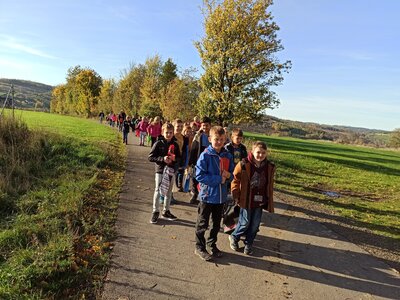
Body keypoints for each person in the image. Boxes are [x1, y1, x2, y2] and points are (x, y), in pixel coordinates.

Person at [228, 141, 276, 255]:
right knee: (245, 222)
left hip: (260, 201)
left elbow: (269, 184)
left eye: (263, 153)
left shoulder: (269, 167)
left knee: (255, 224)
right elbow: (235, 180)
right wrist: (235, 194)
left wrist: (269, 198)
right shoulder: (244, 164)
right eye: (258, 152)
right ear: (252, 152)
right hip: (246, 199)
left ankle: (249, 243)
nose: (260, 155)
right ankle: (234, 236)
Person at [194, 126, 234, 261]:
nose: (219, 142)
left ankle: (212, 244)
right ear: (210, 139)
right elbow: (199, 175)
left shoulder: (227, 155)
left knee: (216, 224)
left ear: (225, 140)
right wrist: (218, 179)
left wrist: (229, 176)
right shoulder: (205, 155)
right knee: (202, 223)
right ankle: (199, 246)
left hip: (221, 197)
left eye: (222, 139)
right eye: (216, 139)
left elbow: (232, 174)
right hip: (207, 196)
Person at [148, 123, 181, 224]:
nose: (169, 134)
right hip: (161, 170)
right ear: (162, 132)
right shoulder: (158, 143)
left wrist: (175, 159)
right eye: (167, 132)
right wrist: (162, 159)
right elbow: (150, 157)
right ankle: (155, 211)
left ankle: (166, 210)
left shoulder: (175, 144)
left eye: (171, 133)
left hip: (171, 171)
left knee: (169, 191)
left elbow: (179, 158)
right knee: (158, 190)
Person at [223, 128, 248, 233]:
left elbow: (246, 160)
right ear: (232, 137)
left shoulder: (243, 148)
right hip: (229, 173)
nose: (239, 140)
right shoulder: (227, 147)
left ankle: (231, 218)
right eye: (237, 138)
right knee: (226, 195)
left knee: (234, 195)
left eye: (240, 138)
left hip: (238, 174)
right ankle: (223, 212)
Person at [188, 117, 212, 204]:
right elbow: (194, 148)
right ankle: (194, 193)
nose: (205, 127)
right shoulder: (198, 135)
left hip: (209, 159)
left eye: (207, 125)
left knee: (205, 178)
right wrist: (191, 161)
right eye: (203, 125)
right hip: (198, 157)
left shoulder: (212, 135)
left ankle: (204, 195)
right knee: (194, 176)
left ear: (210, 125)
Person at [173, 119, 189, 192]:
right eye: (178, 126)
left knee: (181, 173)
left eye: (181, 126)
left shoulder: (185, 138)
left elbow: (185, 150)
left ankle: (179, 185)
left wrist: (186, 161)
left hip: (181, 158)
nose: (179, 128)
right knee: (172, 176)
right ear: (174, 126)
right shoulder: (171, 137)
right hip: (172, 159)